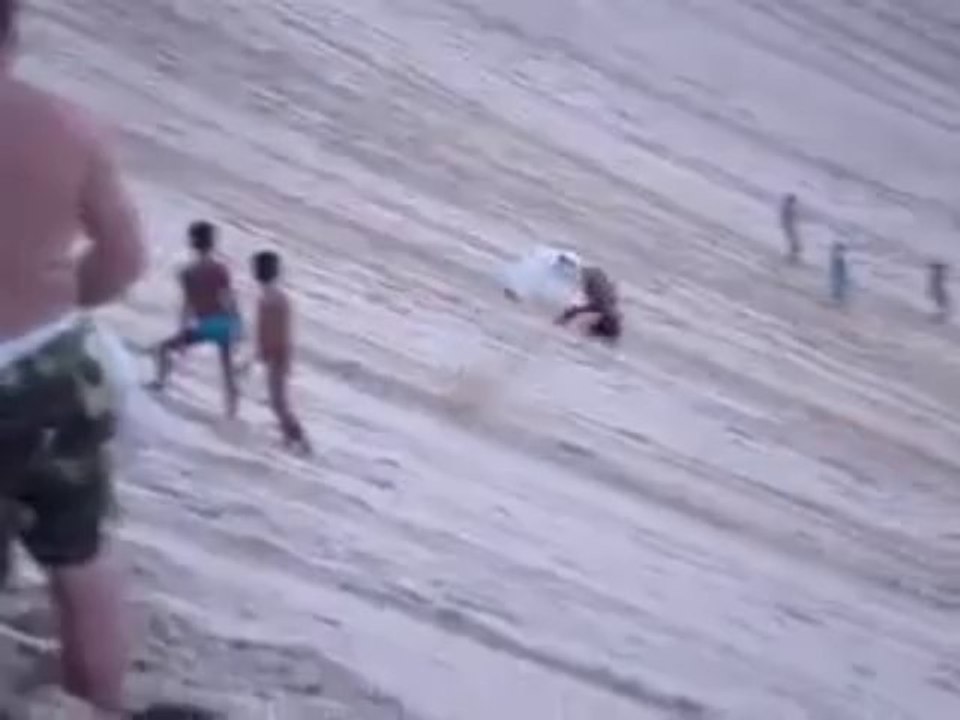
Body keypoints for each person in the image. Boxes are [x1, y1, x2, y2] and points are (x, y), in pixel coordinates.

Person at [0, 0, 146, 715]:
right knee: (81, 555)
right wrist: (52, 307)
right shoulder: (69, 128)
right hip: (52, 367)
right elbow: (124, 260)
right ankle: (102, 701)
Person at [150, 220, 242, 417]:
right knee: (228, 372)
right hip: (225, 325)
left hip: (206, 325)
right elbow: (229, 300)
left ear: (192, 242)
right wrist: (237, 327)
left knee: (163, 349)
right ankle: (232, 413)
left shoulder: (187, 273)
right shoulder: (221, 270)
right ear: (212, 243)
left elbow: (187, 306)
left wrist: (182, 334)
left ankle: (159, 384)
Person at [251, 250, 311, 454]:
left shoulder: (271, 298)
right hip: (277, 354)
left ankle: (300, 441)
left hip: (277, 355)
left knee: (279, 403)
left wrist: (265, 352)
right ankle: (291, 438)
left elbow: (273, 331)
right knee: (278, 402)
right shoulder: (273, 297)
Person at [555, 265, 623, 343]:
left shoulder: (593, 304)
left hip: (605, 320)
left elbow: (574, 312)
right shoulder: (607, 293)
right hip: (612, 322)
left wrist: (561, 320)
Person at [780, 193, 802, 264]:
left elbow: (785, 217)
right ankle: (793, 256)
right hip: (789, 226)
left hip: (788, 226)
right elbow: (790, 217)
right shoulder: (788, 207)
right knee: (793, 241)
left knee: (792, 241)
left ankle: (793, 255)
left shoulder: (786, 206)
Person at [829, 241, 850, 307]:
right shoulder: (838, 258)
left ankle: (837, 298)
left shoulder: (839, 258)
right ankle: (837, 298)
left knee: (839, 284)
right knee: (838, 284)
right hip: (838, 274)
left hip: (839, 273)